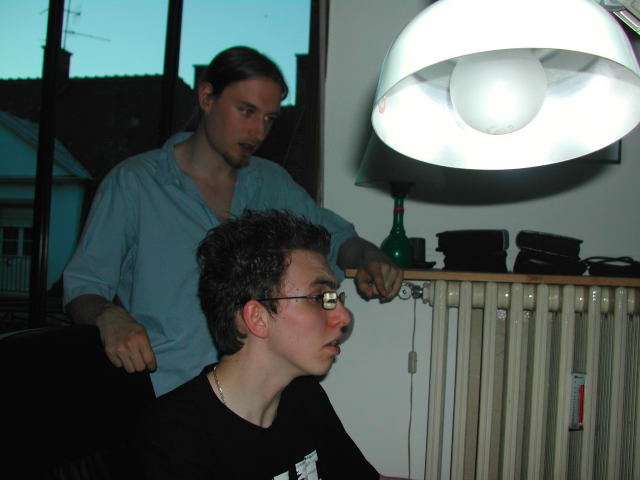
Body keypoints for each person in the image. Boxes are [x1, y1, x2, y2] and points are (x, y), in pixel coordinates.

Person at [63, 46, 402, 396]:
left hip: (255, 397)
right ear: (206, 97)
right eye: (247, 111)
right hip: (164, 390)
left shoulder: (271, 182)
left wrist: (369, 257)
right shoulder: (135, 183)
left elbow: (336, 237)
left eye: (269, 119)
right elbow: (83, 288)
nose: (259, 132)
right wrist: (108, 316)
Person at [134, 209, 406, 480]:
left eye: (334, 298)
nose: (344, 317)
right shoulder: (174, 435)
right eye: (319, 298)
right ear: (257, 318)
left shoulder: (302, 396)